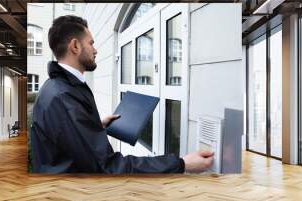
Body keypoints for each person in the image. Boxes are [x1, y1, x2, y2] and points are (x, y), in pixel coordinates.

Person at [30, 15, 214, 174]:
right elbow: (108, 167)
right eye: (91, 43)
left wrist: (95, 125)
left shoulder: (58, 86)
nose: (95, 50)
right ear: (75, 46)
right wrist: (182, 164)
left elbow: (65, 136)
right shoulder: (63, 96)